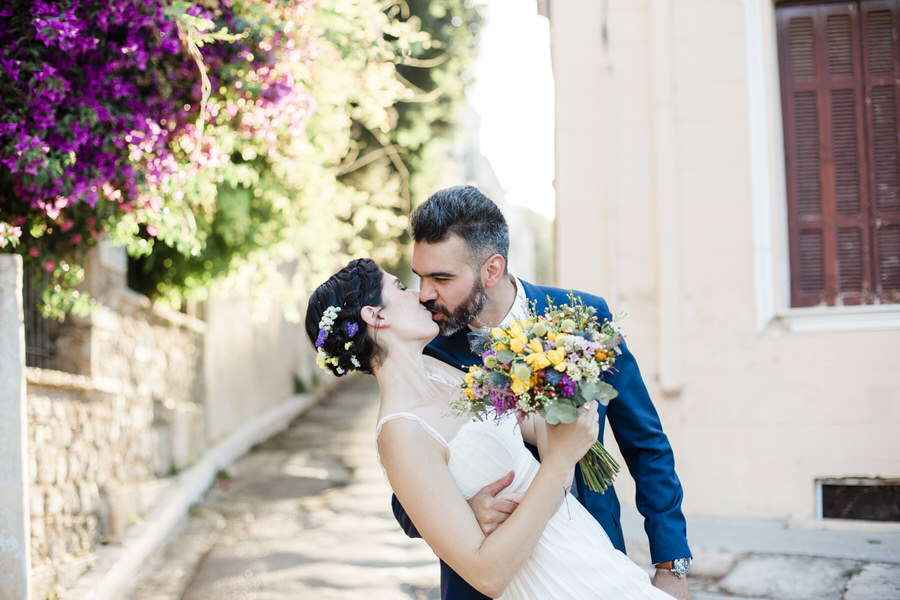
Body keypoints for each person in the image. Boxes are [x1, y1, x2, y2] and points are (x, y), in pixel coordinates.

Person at [305, 258, 675, 599]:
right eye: (401, 288)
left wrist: (561, 384)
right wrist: (559, 461)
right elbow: (488, 576)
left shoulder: (446, 373)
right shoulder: (399, 431)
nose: (420, 294)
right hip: (547, 581)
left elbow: (544, 450)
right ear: (375, 315)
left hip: (585, 548)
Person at [392, 185, 693, 600]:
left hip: (591, 567)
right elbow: (404, 487)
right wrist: (464, 510)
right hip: (486, 583)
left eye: (441, 278)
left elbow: (646, 443)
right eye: (420, 276)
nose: (425, 293)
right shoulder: (428, 350)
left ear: (492, 270)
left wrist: (671, 564)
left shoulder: (583, 318)